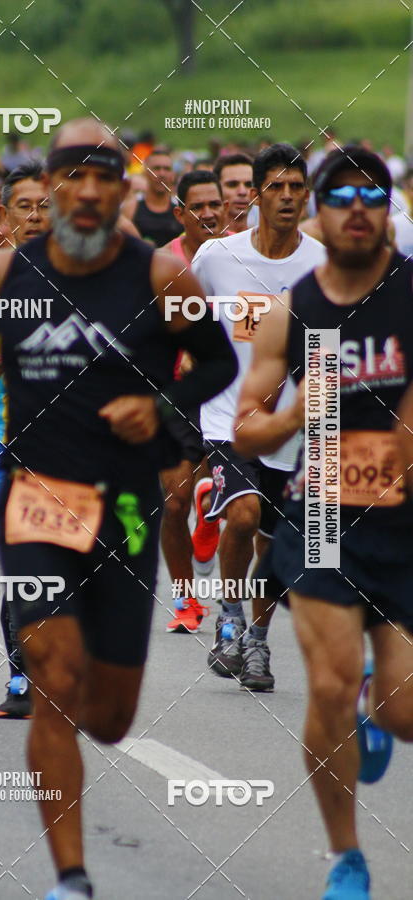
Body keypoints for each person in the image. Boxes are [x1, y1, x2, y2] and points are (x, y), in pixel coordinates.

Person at [0, 117, 237, 900]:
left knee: (107, 715)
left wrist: (160, 407)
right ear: (51, 185)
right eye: (72, 176)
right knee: (53, 673)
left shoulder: (160, 278)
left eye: (103, 178)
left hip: (129, 510)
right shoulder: (3, 276)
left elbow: (218, 363)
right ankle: (70, 877)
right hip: (38, 501)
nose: (86, 191)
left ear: (121, 191)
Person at [234, 146, 413, 900]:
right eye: (341, 196)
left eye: (372, 195)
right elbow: (246, 428)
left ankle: (381, 703)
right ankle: (347, 857)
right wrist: (294, 414)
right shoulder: (295, 311)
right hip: (324, 517)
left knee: (403, 712)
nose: (357, 208)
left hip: (405, 522)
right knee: (330, 687)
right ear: (320, 210)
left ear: (388, 212)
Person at [193, 143, 325, 690]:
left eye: (296, 187)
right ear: (255, 195)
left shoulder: (322, 263)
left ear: (307, 195)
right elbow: (183, 317)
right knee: (244, 516)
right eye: (276, 187)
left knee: (272, 541)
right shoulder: (218, 257)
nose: (287, 196)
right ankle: (229, 617)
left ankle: (257, 641)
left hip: (294, 429)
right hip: (228, 417)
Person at [0, 160, 50, 718]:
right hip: (9, 440)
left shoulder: (91, 278)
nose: (37, 216)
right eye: (25, 206)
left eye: (46, 205)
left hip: (76, 443)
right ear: (5, 214)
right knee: (21, 567)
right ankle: (21, 677)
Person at [160, 170, 225, 632]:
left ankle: (210, 521)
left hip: (228, 394)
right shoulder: (163, 264)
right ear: (179, 213)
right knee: (174, 502)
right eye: (197, 207)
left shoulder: (240, 257)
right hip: (176, 395)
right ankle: (186, 599)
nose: (208, 214)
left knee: (225, 501)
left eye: (214, 204)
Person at [126, 146, 182, 247]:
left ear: (173, 175)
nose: (162, 174)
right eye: (156, 168)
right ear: (145, 173)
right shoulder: (131, 208)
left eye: (167, 169)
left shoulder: (181, 209)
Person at [213, 152, 254, 235]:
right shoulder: (197, 240)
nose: (242, 192)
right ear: (215, 189)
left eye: (248, 185)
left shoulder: (265, 240)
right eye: (232, 185)